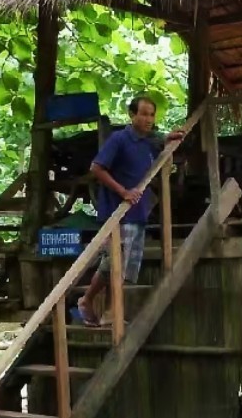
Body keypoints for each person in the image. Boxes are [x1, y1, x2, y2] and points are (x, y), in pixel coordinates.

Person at [73, 96, 184, 327]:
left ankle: (107, 310)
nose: (148, 119)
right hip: (118, 211)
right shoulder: (120, 139)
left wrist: (168, 138)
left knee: (124, 266)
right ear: (132, 115)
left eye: (151, 114)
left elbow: (158, 140)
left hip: (136, 212)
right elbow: (97, 168)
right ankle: (90, 302)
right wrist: (123, 191)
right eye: (143, 114)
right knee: (114, 262)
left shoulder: (149, 141)